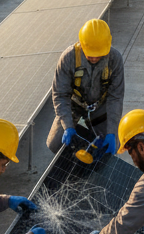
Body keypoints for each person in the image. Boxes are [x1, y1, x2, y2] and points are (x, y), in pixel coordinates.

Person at [47, 18, 124, 155]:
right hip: (73, 104)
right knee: (55, 143)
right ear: (82, 45)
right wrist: (67, 126)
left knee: (112, 144)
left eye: (98, 54)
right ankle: (71, 165)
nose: (94, 58)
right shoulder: (68, 58)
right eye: (90, 54)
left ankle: (96, 162)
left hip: (99, 106)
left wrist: (112, 131)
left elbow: (115, 97)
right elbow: (60, 94)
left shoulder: (115, 59)